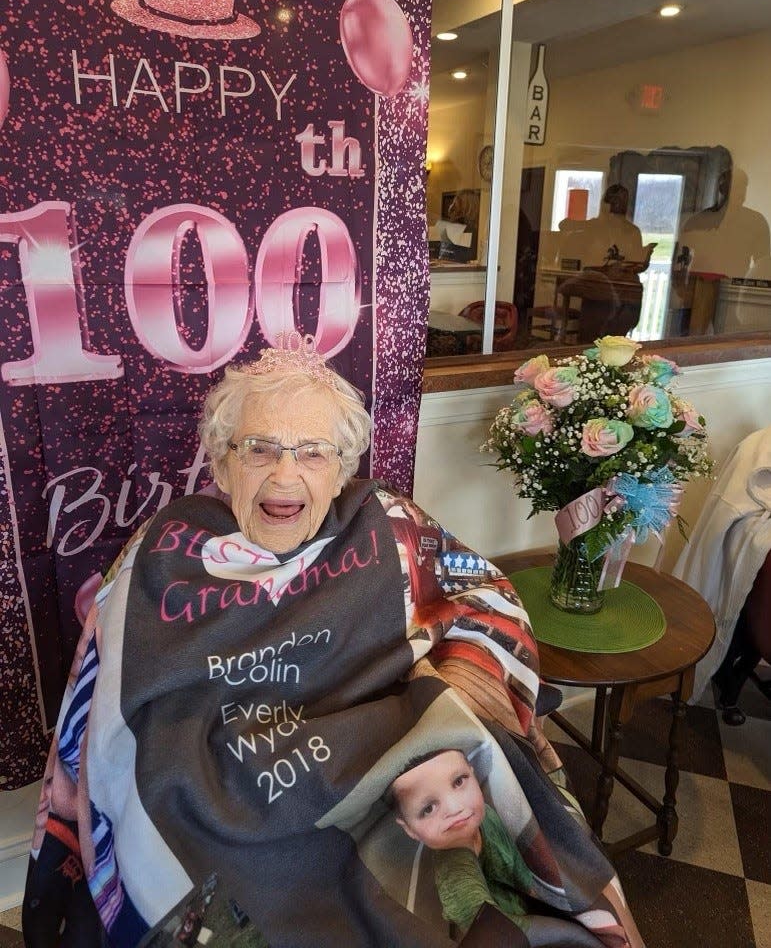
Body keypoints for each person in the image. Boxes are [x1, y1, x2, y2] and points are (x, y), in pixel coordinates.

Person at [25, 334, 644, 948]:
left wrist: (445, 694)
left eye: (313, 453)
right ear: (220, 461)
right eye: (260, 449)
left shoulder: (388, 524)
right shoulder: (163, 549)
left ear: (344, 468)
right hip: (212, 793)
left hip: (389, 773)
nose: (285, 475)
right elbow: (104, 713)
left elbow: (490, 602)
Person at [388, 749, 534, 935]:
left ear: (473, 773)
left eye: (458, 782)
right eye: (429, 808)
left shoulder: (485, 814)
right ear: (409, 828)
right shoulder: (454, 880)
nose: (456, 808)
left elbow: (519, 871)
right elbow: (501, 935)